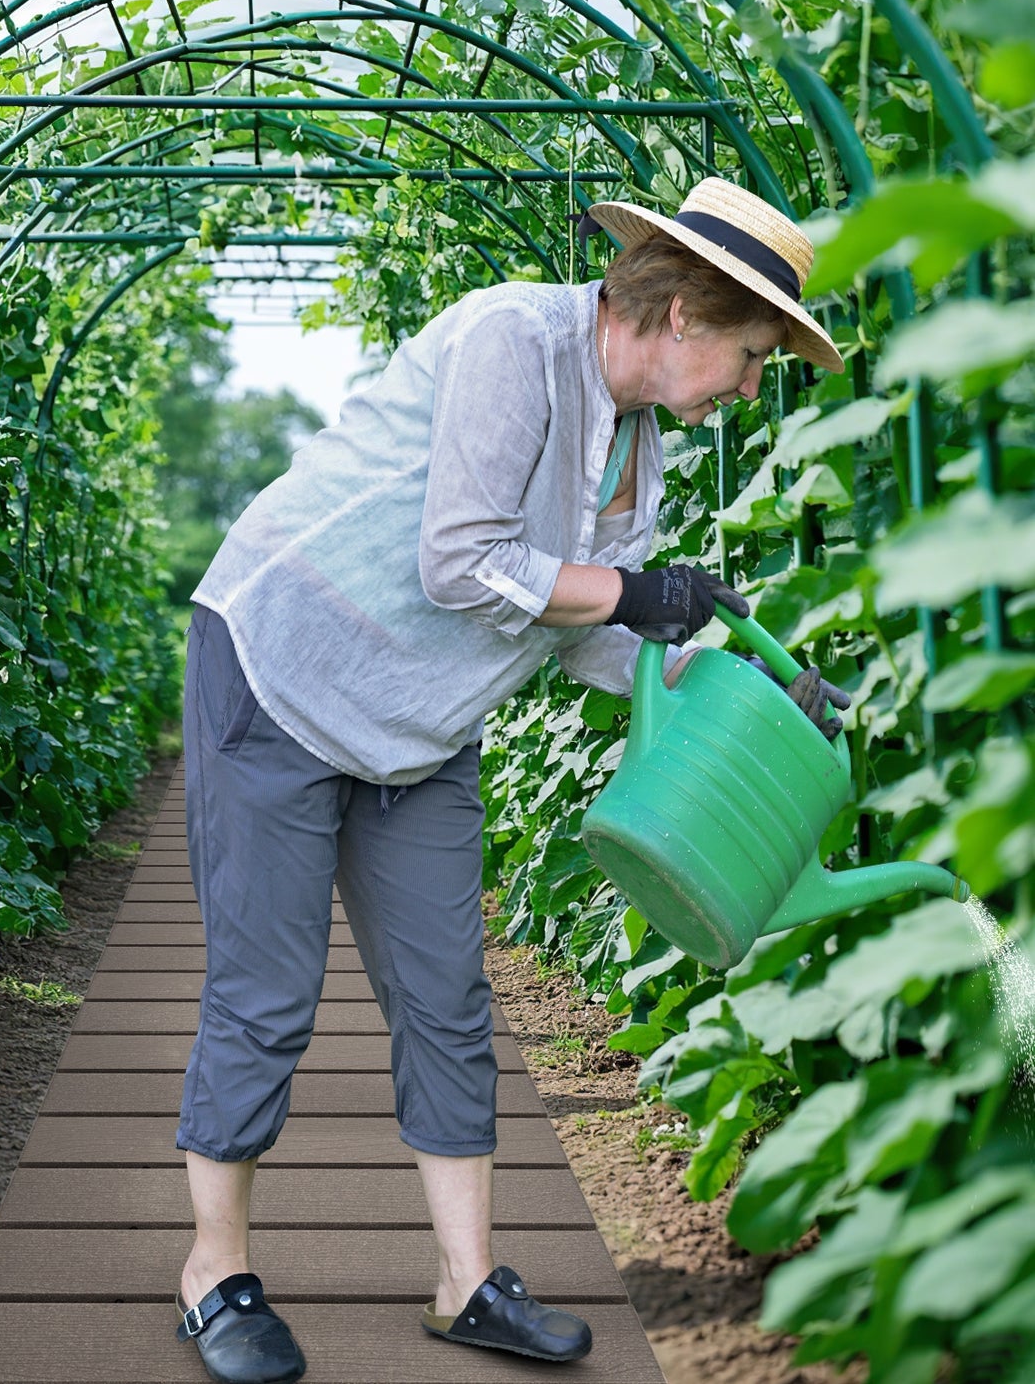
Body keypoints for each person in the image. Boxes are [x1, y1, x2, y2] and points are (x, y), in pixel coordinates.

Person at [172, 176, 850, 1384]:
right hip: (283, 661)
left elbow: (589, 630)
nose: (751, 386)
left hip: (421, 722)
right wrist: (642, 596)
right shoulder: (512, 339)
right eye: (752, 356)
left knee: (445, 996)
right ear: (686, 314)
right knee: (266, 992)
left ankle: (464, 1282)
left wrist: (727, 678)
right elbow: (460, 561)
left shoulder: (638, 450)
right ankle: (213, 1274)